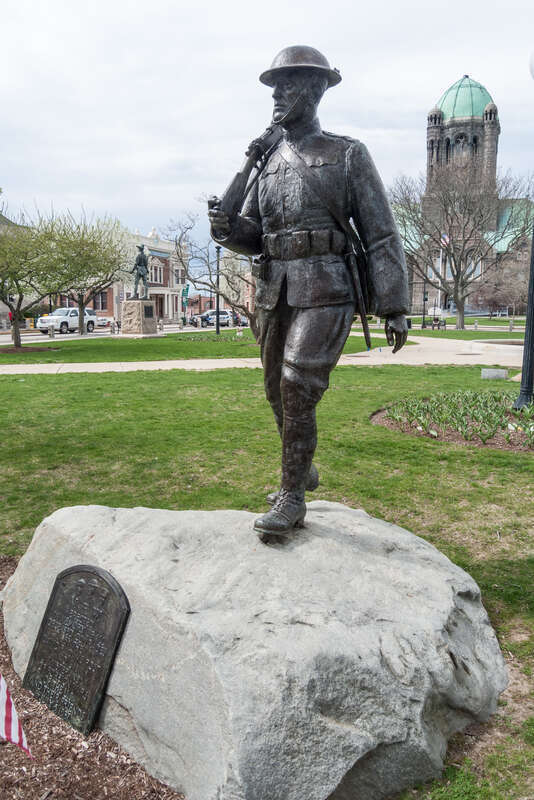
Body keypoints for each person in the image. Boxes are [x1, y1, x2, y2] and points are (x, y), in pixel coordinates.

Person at [209, 46, 410, 535]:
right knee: (275, 392)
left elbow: (382, 233)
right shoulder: (267, 162)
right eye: (275, 85)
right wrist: (226, 228)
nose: (278, 94)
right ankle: (301, 466)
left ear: (317, 90)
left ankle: (292, 496)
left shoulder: (347, 154)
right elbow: (253, 235)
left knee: (298, 386)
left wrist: (394, 305)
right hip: (274, 288)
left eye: (289, 83)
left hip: (327, 286)